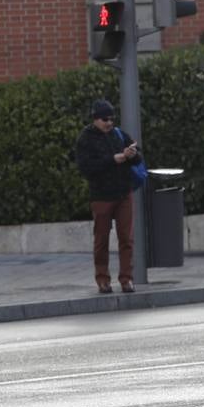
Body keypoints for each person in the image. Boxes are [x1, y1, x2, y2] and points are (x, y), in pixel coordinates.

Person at [74, 99, 142, 293]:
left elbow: (139, 158)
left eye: (112, 118)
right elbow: (86, 168)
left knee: (126, 239)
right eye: (105, 119)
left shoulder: (119, 135)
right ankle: (103, 279)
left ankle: (126, 279)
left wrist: (131, 155)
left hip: (123, 193)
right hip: (101, 196)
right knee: (101, 239)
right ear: (95, 119)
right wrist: (113, 160)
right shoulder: (86, 139)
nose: (109, 123)